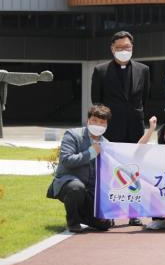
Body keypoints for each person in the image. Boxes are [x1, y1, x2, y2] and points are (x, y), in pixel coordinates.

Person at [90, 31, 150, 226]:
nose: (124, 50)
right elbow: (96, 101)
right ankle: (110, 212)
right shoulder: (100, 71)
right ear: (112, 48)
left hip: (135, 127)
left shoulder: (143, 70)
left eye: (127, 47)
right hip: (111, 128)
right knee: (110, 170)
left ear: (133, 48)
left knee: (135, 169)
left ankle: (134, 212)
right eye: (120, 47)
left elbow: (145, 98)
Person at [46, 104, 114, 233]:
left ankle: (84, 215)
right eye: (94, 120)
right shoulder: (72, 135)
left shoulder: (107, 144)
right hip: (69, 183)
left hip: (90, 190)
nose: (98, 125)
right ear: (88, 120)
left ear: (106, 125)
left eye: (102, 122)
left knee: (104, 225)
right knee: (76, 188)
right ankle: (73, 222)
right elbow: (67, 160)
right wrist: (91, 153)